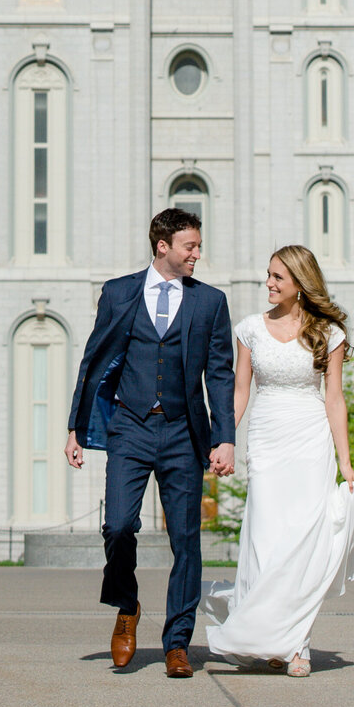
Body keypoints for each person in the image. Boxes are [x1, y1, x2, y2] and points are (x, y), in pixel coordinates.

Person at [65, 208, 236, 678]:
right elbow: (94, 360)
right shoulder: (119, 292)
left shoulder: (210, 303)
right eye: (190, 247)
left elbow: (220, 374)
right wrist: (75, 428)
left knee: (187, 540)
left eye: (198, 246)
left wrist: (225, 438)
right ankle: (127, 606)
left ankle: (177, 642)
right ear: (163, 246)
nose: (197, 254)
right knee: (118, 526)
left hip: (183, 431)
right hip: (130, 427)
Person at [203, 245, 354, 676]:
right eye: (268, 275)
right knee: (267, 540)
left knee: (302, 543)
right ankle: (267, 637)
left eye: (278, 277)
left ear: (299, 283)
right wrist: (222, 440)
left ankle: (297, 646)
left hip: (311, 442)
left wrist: (344, 462)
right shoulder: (250, 329)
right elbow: (240, 392)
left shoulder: (328, 333)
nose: (269, 283)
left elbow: (334, 399)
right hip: (268, 440)